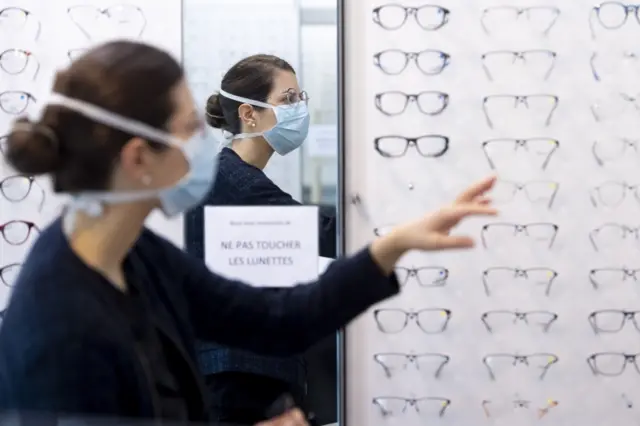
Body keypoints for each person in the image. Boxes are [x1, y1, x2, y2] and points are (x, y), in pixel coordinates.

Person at [0, 40, 498, 424]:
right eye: (189, 127)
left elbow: (275, 318)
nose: (204, 143)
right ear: (138, 159)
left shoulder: (139, 257)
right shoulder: (59, 325)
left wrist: (392, 246)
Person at [185, 54, 336, 424]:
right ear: (249, 114)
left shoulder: (233, 177)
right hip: (238, 379)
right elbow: (326, 235)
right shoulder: (235, 182)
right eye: (288, 99)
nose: (298, 109)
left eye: (300, 98)